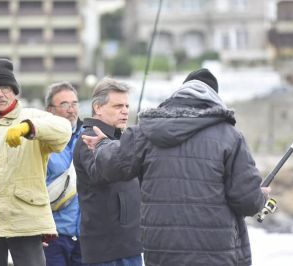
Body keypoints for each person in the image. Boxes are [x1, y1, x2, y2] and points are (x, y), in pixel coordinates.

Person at [82, 69, 271, 266]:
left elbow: (110, 166)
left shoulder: (146, 132)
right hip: (214, 255)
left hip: (161, 254)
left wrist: (103, 145)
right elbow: (248, 201)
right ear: (214, 99)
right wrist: (261, 195)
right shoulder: (231, 137)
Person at [0, 58, 72, 266]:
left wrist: (29, 128)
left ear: (15, 92)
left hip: (25, 218)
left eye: (6, 88)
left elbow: (64, 129)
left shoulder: (31, 116)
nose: (0, 94)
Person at [73, 77, 143, 265]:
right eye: (118, 106)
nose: (125, 111)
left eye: (127, 106)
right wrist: (110, 145)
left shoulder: (120, 139)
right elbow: (101, 172)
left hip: (130, 244)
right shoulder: (89, 138)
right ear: (98, 107)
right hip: (106, 250)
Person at [44, 82, 83, 265]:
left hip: (85, 238)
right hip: (52, 237)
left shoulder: (89, 137)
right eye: (64, 104)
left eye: (74, 103)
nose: (71, 109)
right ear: (50, 110)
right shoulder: (40, 142)